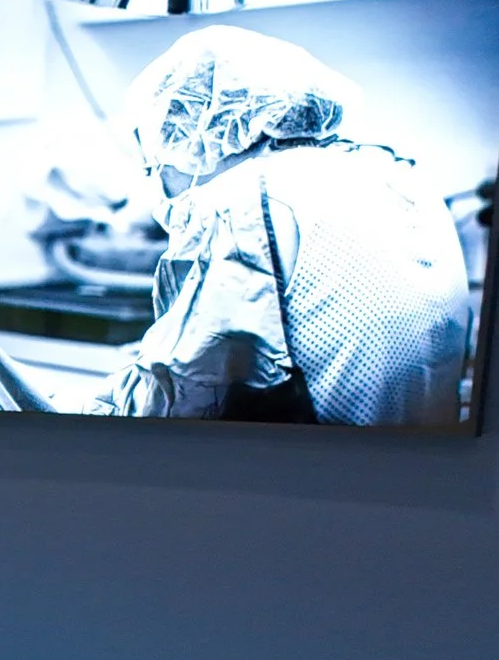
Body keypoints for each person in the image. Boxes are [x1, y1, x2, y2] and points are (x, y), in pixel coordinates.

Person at [91, 25, 473, 424]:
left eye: (156, 161)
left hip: (321, 473)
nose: (159, 185)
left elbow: (182, 402)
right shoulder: (394, 173)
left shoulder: (243, 199)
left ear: (195, 139)